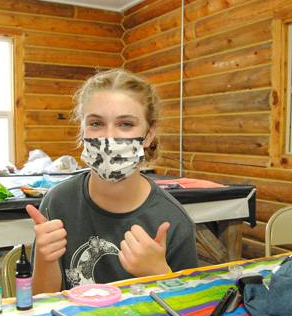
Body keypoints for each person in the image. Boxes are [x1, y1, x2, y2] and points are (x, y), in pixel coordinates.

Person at [26, 69, 198, 294]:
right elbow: (41, 301)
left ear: (148, 134)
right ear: (82, 129)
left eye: (125, 124)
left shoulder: (173, 221)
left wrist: (160, 275)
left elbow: (187, 309)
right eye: (96, 123)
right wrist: (45, 259)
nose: (108, 137)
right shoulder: (58, 203)